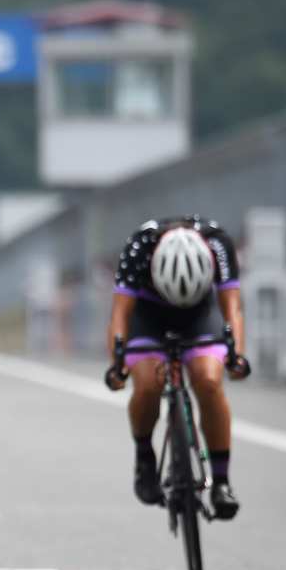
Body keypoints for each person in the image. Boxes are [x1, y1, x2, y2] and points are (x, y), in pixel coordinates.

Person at [105, 217, 249, 519]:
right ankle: (144, 456)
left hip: (200, 314)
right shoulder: (138, 247)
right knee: (147, 385)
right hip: (148, 315)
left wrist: (236, 356)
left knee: (209, 381)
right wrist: (117, 366)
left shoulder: (217, 243)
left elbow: (232, 309)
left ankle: (221, 482)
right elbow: (119, 316)